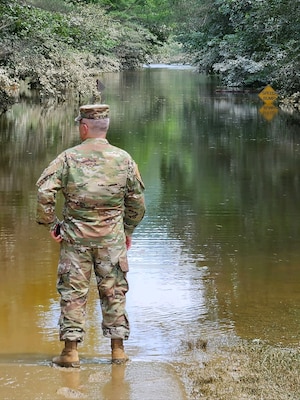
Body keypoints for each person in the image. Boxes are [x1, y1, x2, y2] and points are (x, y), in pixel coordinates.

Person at [36, 104, 145, 368]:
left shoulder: (68, 158)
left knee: (73, 293)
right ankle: (117, 351)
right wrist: (126, 230)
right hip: (112, 241)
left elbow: (44, 193)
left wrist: (53, 224)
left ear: (84, 127)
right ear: (104, 127)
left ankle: (71, 353)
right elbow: (138, 202)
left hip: (76, 240)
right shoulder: (124, 159)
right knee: (114, 292)